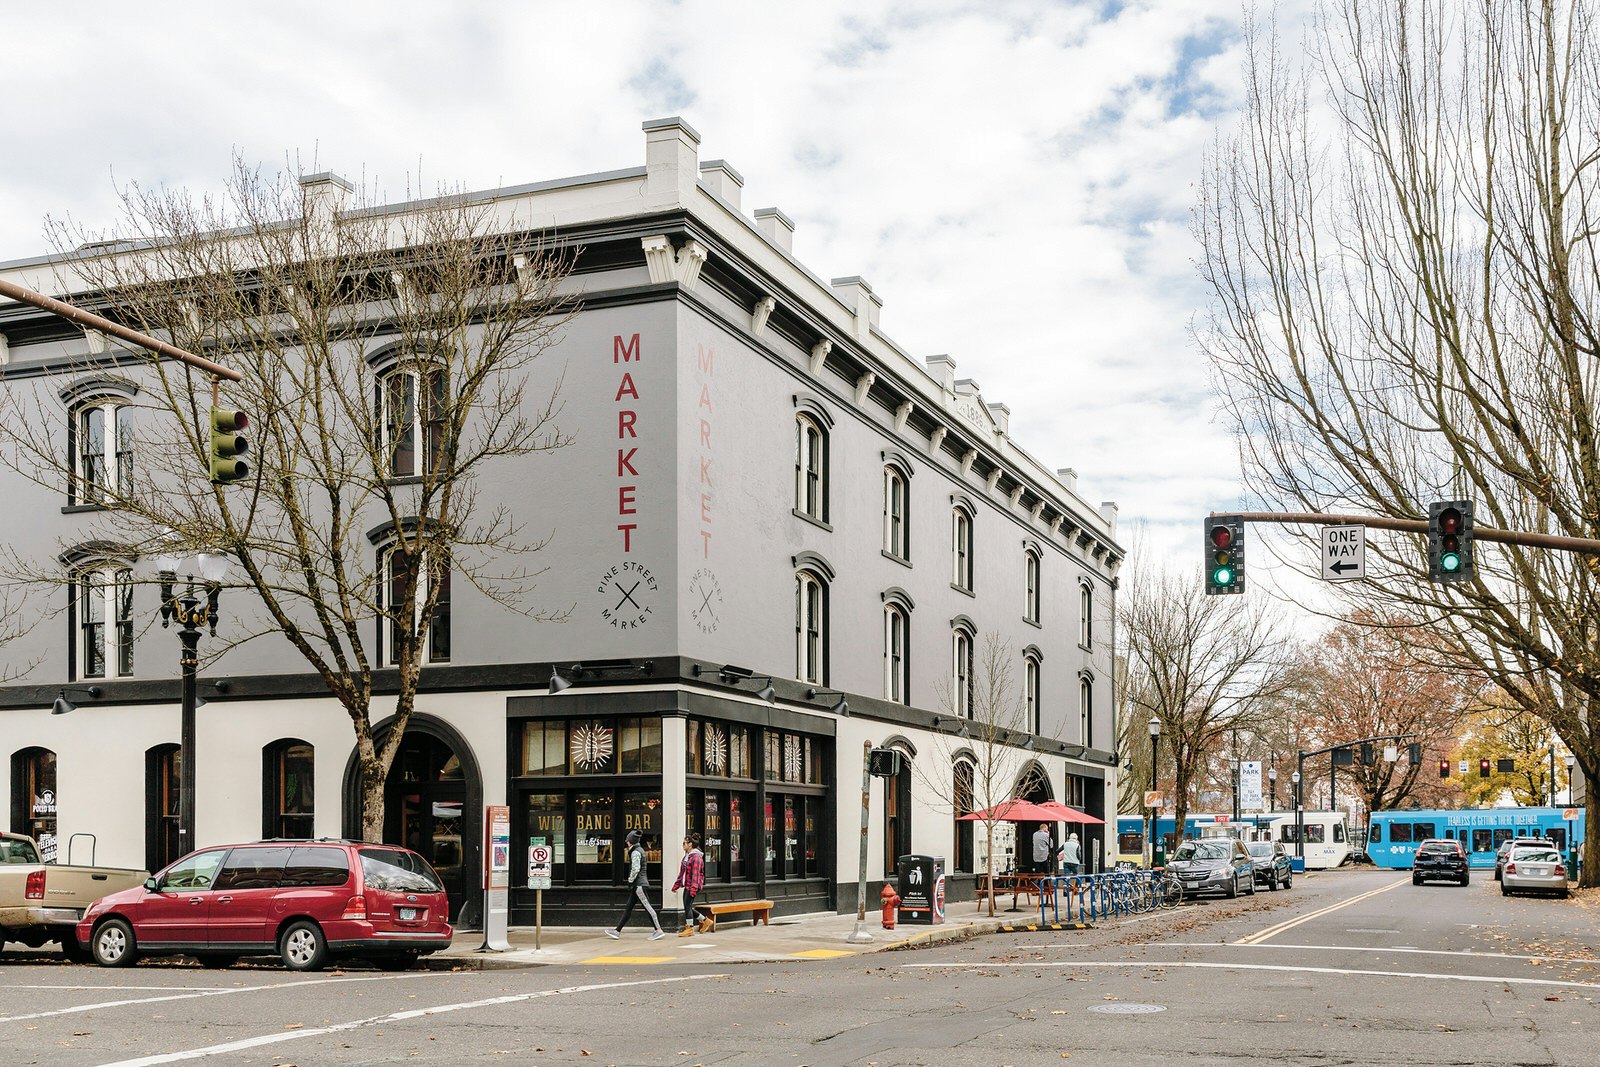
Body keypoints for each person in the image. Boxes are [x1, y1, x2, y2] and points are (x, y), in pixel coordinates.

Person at [605, 829, 666, 941]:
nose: (626, 841)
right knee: (628, 908)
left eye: (627, 840)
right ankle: (617, 931)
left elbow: (636, 868)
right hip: (638, 885)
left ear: (630, 841)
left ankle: (658, 930)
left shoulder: (635, 852)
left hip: (638, 885)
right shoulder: (639, 850)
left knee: (648, 907)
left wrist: (630, 880)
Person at [672, 833, 712, 936]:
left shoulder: (696, 857)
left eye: (684, 843)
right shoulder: (687, 856)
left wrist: (693, 889)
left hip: (693, 885)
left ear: (690, 844)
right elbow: (682, 872)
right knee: (687, 906)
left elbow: (696, 874)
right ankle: (705, 920)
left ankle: (690, 928)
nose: (683, 845)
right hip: (688, 885)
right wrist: (676, 885)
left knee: (687, 906)